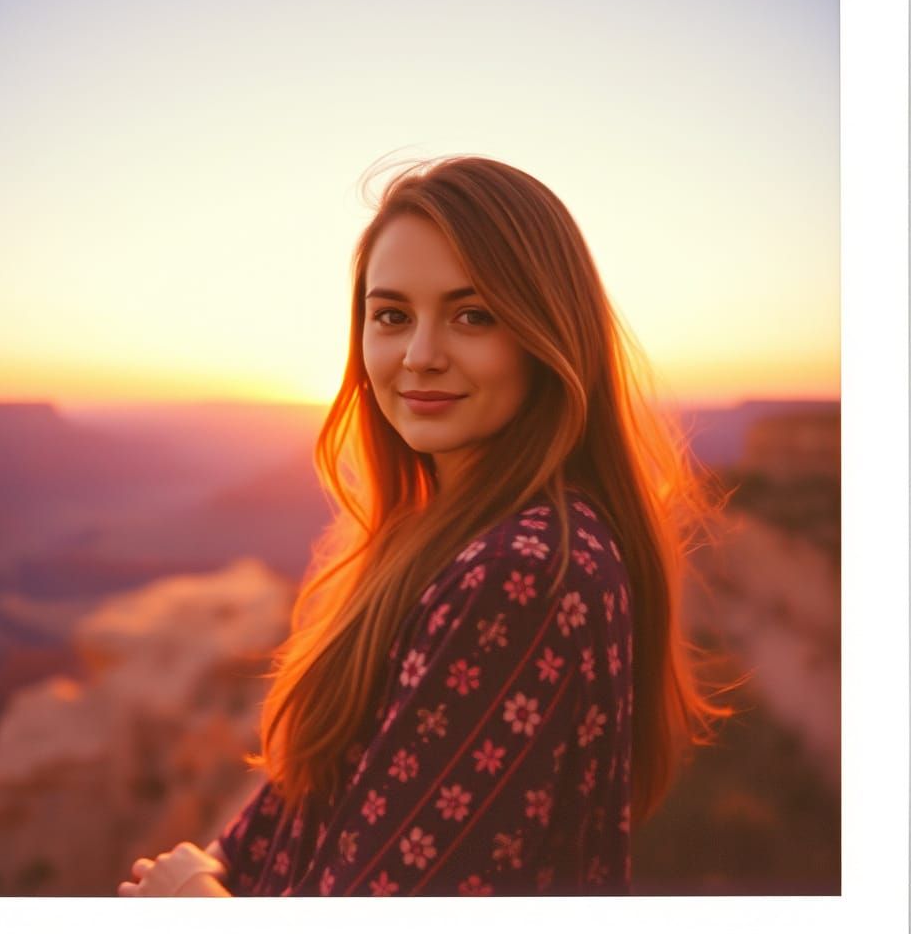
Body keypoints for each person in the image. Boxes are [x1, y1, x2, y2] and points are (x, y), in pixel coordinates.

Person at [117, 154, 730, 898]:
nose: (420, 356)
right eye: (392, 316)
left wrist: (190, 902)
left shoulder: (521, 573)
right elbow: (304, 810)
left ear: (546, 335)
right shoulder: (443, 540)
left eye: (474, 315)